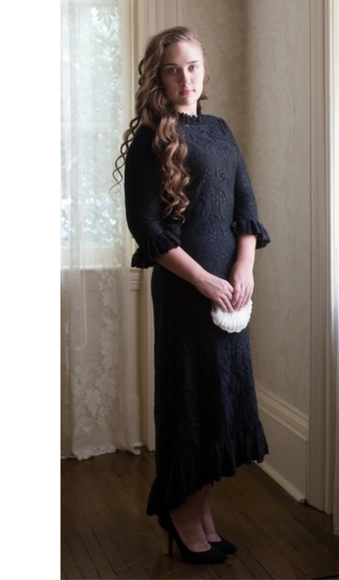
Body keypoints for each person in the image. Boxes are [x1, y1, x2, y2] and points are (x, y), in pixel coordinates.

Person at [114, 26, 270, 565]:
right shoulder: (150, 138)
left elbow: (245, 205)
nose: (186, 79)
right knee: (192, 401)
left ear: (205, 69)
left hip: (231, 295)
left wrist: (244, 267)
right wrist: (203, 279)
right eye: (173, 69)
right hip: (186, 294)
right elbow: (147, 227)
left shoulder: (219, 130)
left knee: (221, 402)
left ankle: (200, 511)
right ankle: (180, 511)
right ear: (158, 77)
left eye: (194, 67)